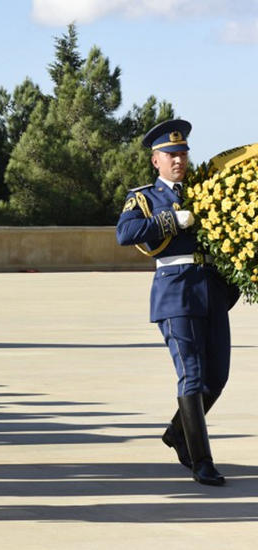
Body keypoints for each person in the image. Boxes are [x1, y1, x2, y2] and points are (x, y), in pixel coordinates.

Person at [116, 119, 237, 486]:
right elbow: (125, 233)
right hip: (176, 292)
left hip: (211, 291)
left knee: (217, 377)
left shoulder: (204, 193)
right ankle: (201, 461)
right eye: (171, 155)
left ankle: (177, 432)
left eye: (182, 153)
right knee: (193, 375)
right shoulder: (145, 198)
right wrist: (170, 220)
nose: (179, 160)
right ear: (156, 161)